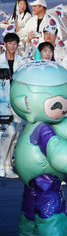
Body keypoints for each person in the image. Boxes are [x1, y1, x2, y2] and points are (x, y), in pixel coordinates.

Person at [0, 33, 26, 178]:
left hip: (16, 102)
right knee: (6, 134)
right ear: (4, 44)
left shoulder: (22, 62)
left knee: (15, 135)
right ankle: (2, 164)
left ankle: (8, 166)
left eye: (14, 43)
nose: (12, 46)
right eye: (9, 43)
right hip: (1, 103)